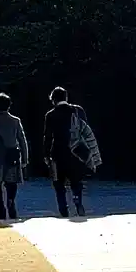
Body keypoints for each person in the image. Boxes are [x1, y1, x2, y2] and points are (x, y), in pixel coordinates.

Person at [42, 87, 90, 218]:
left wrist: (46, 154)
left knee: (59, 183)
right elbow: (85, 130)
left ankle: (63, 208)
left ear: (53, 99)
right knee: (76, 181)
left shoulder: (50, 115)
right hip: (76, 152)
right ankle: (77, 200)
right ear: (66, 97)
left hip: (58, 153)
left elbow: (48, 137)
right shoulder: (78, 110)